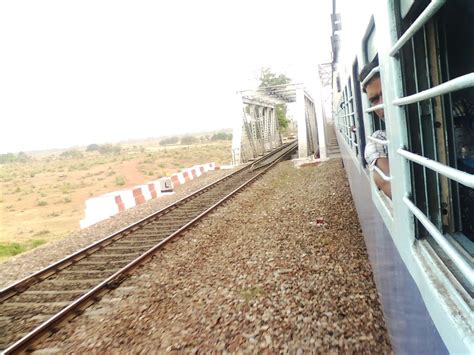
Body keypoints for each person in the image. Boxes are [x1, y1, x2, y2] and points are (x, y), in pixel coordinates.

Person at [359, 56, 392, 198]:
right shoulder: (377, 141)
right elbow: (389, 185)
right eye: (374, 99)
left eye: (385, 93)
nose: (382, 104)